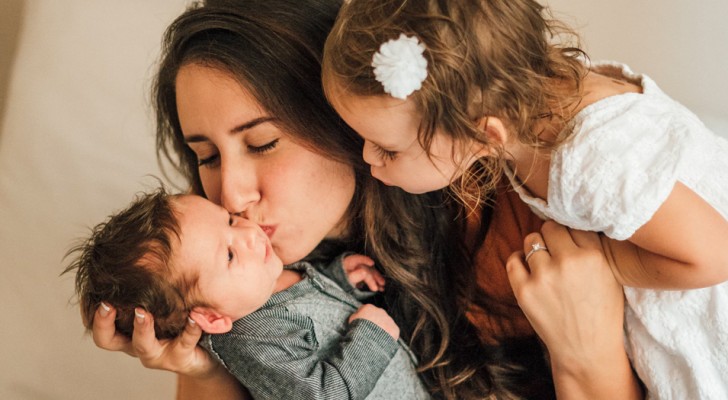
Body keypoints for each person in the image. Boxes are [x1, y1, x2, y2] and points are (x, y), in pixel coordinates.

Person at [87, 1, 641, 399]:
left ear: (344, 115)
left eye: (262, 143)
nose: (231, 194)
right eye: (207, 157)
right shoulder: (233, 280)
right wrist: (207, 370)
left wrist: (587, 361)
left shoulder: (515, 219)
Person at [321, 0, 728, 398]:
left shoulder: (588, 158)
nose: (366, 158)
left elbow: (715, 253)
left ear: (483, 136)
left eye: (387, 148)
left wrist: (605, 263)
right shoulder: (529, 102)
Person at [65, 188, 430, 399]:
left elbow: (317, 314)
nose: (249, 233)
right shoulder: (253, 337)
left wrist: (342, 278)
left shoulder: (259, 285)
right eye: (228, 254)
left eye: (229, 220)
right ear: (211, 318)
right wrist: (371, 337)